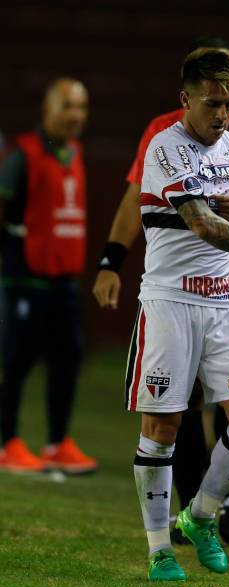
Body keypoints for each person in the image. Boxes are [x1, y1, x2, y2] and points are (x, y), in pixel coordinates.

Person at [92, 36, 229, 547]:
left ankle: (202, 512)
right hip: (173, 302)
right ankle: (161, 549)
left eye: (228, 102)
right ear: (186, 98)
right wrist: (111, 260)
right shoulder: (163, 144)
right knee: (171, 420)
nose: (223, 112)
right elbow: (201, 223)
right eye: (213, 102)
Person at [0, 78, 97, 474]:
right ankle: (7, 444)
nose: (75, 114)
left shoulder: (73, 151)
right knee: (17, 362)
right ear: (47, 110)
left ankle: (57, 443)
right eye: (67, 105)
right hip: (26, 278)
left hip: (65, 280)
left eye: (81, 106)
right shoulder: (21, 155)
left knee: (68, 360)